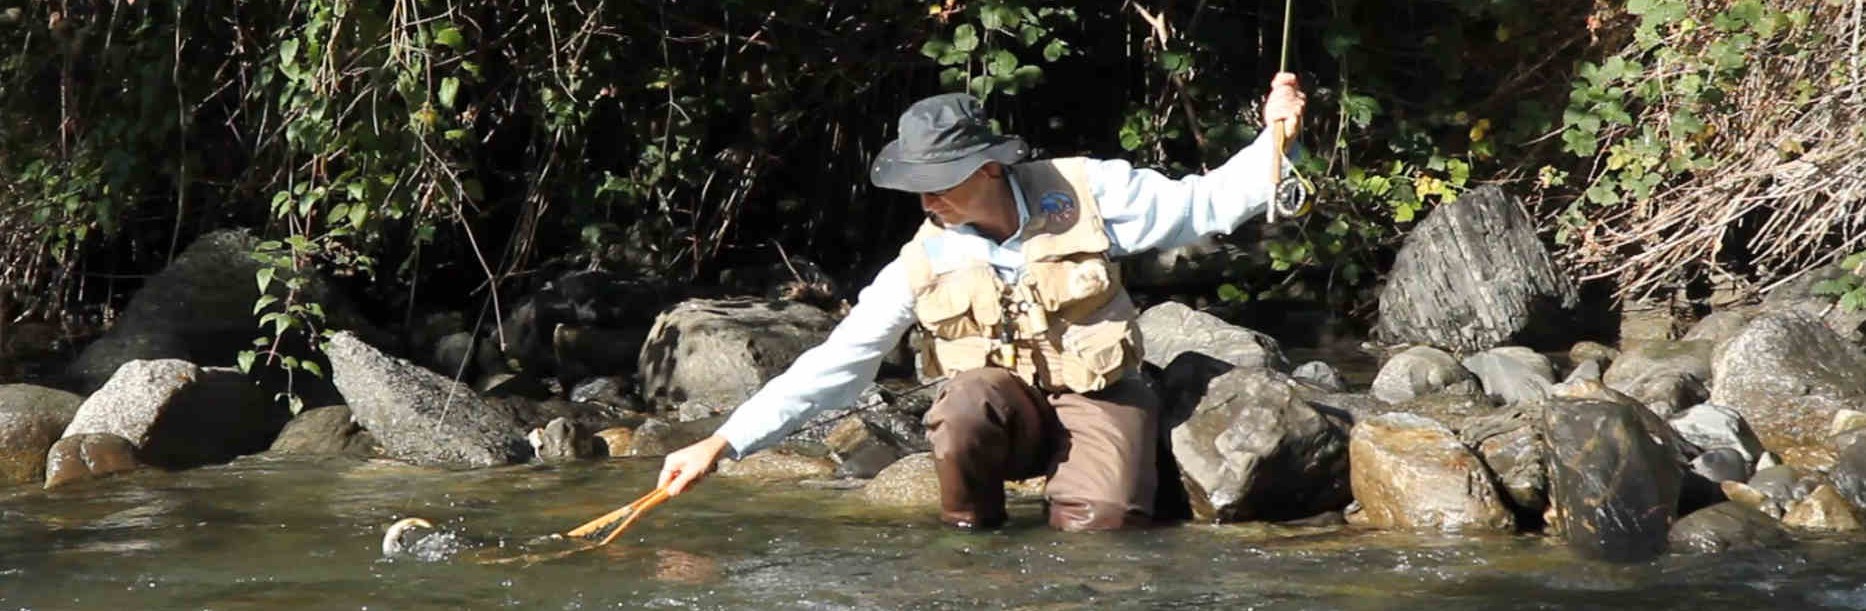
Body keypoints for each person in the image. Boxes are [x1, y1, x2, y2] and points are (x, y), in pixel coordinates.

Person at [658, 73, 1307, 531]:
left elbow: (1207, 204)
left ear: (990, 168)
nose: (926, 200)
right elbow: (838, 363)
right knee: (960, 407)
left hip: (1100, 394)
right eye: (917, 186)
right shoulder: (922, 258)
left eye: (938, 183)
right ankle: (972, 537)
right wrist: (721, 443)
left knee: (1100, 536)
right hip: (1003, 415)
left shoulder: (1087, 192)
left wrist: (1279, 136)